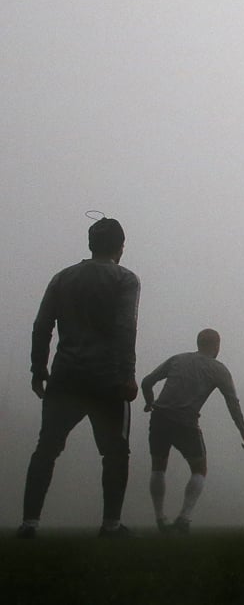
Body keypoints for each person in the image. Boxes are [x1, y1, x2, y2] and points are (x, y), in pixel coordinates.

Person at [18, 217, 140, 538]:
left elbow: (42, 325)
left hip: (66, 375)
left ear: (90, 245)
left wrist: (38, 368)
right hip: (107, 378)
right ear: (120, 247)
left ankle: (30, 523)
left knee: (47, 448)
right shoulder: (125, 279)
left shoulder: (63, 278)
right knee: (115, 452)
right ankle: (111, 525)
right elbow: (126, 328)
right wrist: (128, 374)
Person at [141, 328, 244, 534]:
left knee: (158, 467)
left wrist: (149, 402)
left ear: (198, 343)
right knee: (199, 469)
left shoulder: (178, 359)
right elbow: (232, 403)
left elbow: (147, 381)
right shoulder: (219, 370)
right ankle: (184, 519)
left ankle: (160, 519)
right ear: (216, 346)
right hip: (185, 422)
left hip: (160, 417)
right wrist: (243, 431)